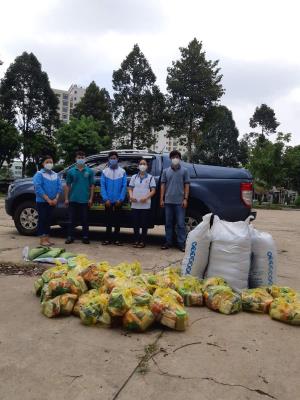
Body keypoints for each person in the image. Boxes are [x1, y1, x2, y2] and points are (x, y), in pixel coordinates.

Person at [160, 150, 190, 252]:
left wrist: (185, 199)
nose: (175, 159)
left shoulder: (184, 171)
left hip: (180, 202)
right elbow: (163, 186)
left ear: (180, 158)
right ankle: (168, 242)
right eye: (173, 157)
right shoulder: (165, 171)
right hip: (168, 202)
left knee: (181, 224)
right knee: (168, 224)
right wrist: (161, 199)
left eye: (177, 157)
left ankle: (181, 244)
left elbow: (187, 185)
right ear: (170, 159)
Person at [64, 151, 95, 244]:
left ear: (84, 159)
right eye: (79, 157)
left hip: (85, 200)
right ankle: (70, 236)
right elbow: (67, 185)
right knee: (71, 220)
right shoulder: (71, 171)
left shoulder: (89, 171)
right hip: (73, 199)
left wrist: (91, 198)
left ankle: (85, 236)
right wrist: (66, 198)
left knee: (85, 220)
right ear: (76, 159)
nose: (80, 159)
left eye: (82, 157)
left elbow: (92, 186)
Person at [33, 155, 62, 246]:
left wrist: (56, 198)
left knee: (49, 220)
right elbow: (38, 188)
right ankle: (42, 239)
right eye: (47, 162)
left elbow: (59, 187)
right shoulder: (39, 174)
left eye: (51, 162)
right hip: (42, 202)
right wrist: (48, 200)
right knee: (42, 219)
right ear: (43, 164)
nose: (49, 164)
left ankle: (47, 239)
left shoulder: (55, 174)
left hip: (53, 202)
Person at [128, 158, 156, 248]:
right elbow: (130, 188)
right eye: (141, 164)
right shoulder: (134, 177)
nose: (142, 165)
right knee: (135, 224)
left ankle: (143, 241)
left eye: (144, 164)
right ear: (138, 166)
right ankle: (136, 240)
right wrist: (131, 196)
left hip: (145, 204)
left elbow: (153, 190)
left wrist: (146, 197)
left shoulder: (151, 177)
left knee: (144, 224)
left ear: (147, 166)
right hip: (135, 204)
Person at [101, 151, 127, 245]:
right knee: (108, 221)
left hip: (118, 201)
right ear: (108, 159)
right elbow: (103, 186)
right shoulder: (104, 172)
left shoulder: (122, 172)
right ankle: (107, 239)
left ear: (117, 159)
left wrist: (120, 199)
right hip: (108, 200)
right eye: (111, 158)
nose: (113, 160)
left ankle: (117, 239)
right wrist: (105, 199)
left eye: (114, 158)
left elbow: (124, 186)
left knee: (117, 221)